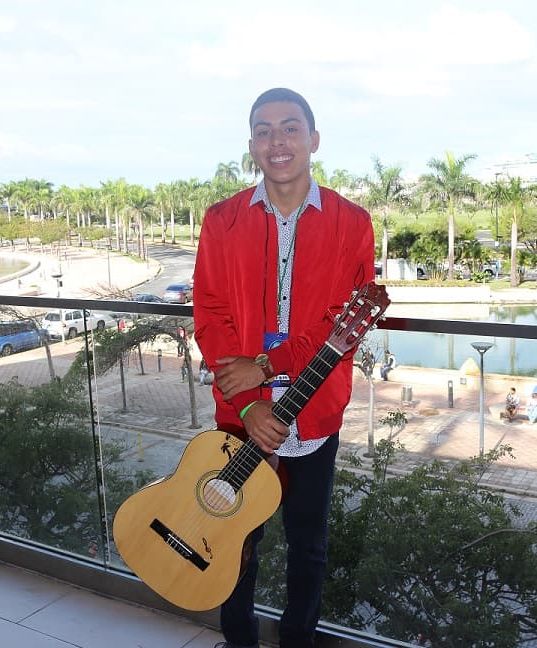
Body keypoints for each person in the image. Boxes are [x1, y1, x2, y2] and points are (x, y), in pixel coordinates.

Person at [193, 87, 375, 648]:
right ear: (251, 145)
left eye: (290, 128)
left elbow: (342, 326)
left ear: (313, 140)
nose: (278, 142)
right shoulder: (221, 221)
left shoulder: (352, 223)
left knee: (308, 543)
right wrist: (248, 403)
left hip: (315, 411)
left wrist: (268, 363)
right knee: (234, 538)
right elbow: (211, 314)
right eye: (264, 130)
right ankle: (238, 640)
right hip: (242, 414)